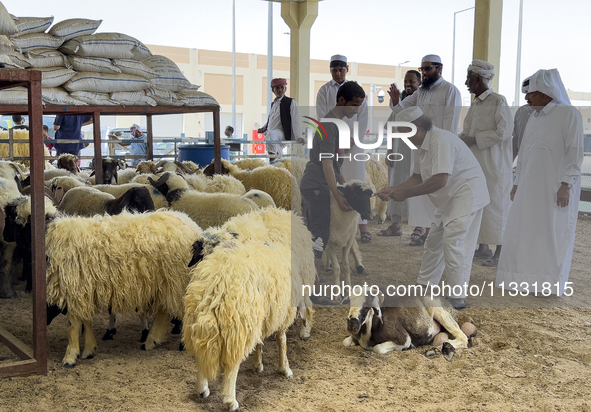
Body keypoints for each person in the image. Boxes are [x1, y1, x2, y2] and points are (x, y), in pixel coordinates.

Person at [377, 107, 489, 309]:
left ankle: (458, 297)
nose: (403, 138)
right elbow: (417, 177)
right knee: (433, 242)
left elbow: (440, 180)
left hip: (466, 195)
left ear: (417, 127)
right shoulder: (418, 144)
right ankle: (424, 287)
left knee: (454, 244)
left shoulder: (441, 140)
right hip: (449, 199)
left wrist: (406, 194)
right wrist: (394, 188)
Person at [496, 69, 583, 297]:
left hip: (555, 188)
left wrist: (566, 185)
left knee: (553, 234)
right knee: (525, 231)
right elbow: (524, 153)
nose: (527, 98)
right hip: (528, 187)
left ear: (546, 93)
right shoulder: (534, 116)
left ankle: (548, 285)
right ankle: (522, 280)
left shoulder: (569, 114)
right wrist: (516, 182)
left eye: (531, 93)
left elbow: (575, 154)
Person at [300, 81, 366, 305]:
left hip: (317, 183)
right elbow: (327, 164)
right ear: (341, 101)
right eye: (354, 106)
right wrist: (338, 195)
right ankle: (312, 291)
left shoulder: (334, 124)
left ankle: (313, 283)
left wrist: (344, 186)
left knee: (317, 235)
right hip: (317, 184)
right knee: (319, 236)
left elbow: (334, 166)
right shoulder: (329, 126)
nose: (356, 111)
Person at [388, 54, 462, 246]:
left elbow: (451, 124)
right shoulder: (419, 93)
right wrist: (396, 101)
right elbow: (401, 112)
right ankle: (426, 232)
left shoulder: (450, 90)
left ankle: (436, 234)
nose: (425, 73)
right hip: (420, 147)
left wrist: (444, 148)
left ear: (440, 69)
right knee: (423, 191)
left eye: (428, 69)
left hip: (440, 148)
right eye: (422, 69)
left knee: (438, 190)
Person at [460, 60, 514, 267]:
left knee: (498, 208)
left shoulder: (498, 101)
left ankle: (502, 253)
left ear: (479, 79)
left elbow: (504, 132)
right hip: (477, 165)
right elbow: (467, 132)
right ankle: (482, 248)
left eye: (469, 78)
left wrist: (475, 139)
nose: (466, 83)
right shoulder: (475, 104)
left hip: (495, 166)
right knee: (480, 204)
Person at [316, 54, 371, 243]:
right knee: (337, 183)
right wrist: (337, 141)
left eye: (341, 70)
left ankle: (362, 227)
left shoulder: (358, 91)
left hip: (354, 146)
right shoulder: (323, 91)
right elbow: (323, 116)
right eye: (334, 70)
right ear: (330, 70)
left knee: (357, 183)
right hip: (333, 142)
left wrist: (353, 140)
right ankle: (338, 226)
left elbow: (363, 119)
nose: (338, 73)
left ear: (347, 69)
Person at [378, 69, 421, 237]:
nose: (408, 85)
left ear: (419, 83)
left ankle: (419, 227)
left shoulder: (420, 103)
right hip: (398, 152)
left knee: (416, 187)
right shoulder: (400, 104)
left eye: (412, 81)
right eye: (406, 82)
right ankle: (395, 225)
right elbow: (391, 128)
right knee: (395, 184)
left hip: (415, 154)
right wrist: (389, 150)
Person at [257, 78, 303, 162]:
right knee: (270, 136)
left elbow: (296, 119)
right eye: (277, 88)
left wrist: (298, 136)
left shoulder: (290, 102)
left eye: (282, 87)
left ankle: (272, 165)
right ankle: (278, 163)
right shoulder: (273, 104)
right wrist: (264, 128)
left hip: (283, 133)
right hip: (272, 132)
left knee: (271, 136)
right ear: (272, 89)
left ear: (285, 88)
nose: (280, 90)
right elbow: (272, 120)